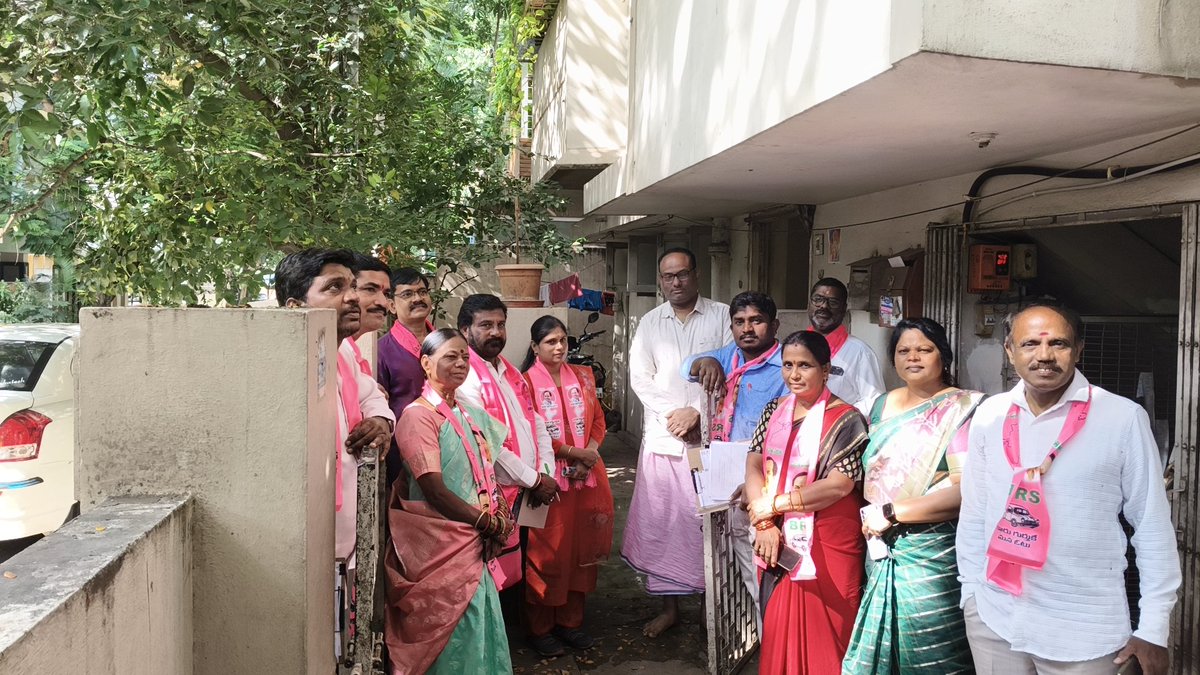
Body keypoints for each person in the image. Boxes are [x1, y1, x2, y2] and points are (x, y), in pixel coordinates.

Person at [956, 304, 1180, 674]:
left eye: (1058, 344)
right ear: (1010, 351)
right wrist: (971, 594)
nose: (1044, 356)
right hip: (995, 617)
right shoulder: (990, 415)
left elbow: (1152, 526)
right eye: (1029, 344)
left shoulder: (1122, 418)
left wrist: (1154, 628)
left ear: (1079, 350)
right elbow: (975, 512)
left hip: (1083, 628)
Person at [842, 318, 984, 674]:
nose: (913, 357)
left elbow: (966, 490)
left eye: (925, 349)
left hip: (932, 552)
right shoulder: (879, 407)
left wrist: (892, 512)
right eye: (904, 351)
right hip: (879, 546)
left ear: (944, 356)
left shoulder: (962, 410)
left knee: (932, 648)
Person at [383, 329, 515, 674]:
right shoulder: (417, 416)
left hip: (473, 541)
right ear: (426, 363)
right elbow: (434, 489)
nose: (460, 364)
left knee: (478, 624)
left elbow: (486, 471)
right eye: (450, 357)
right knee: (450, 631)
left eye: (465, 357)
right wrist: (487, 523)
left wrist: (497, 516)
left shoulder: (467, 412)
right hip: (443, 546)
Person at [621, 247, 732, 637]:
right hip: (665, 441)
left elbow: (732, 371)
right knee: (664, 523)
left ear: (697, 275)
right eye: (668, 276)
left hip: (710, 443)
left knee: (706, 523)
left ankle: (709, 605)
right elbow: (640, 378)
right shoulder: (650, 322)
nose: (676, 283)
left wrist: (698, 412)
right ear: (661, 280)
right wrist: (678, 414)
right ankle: (670, 609)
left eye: (683, 274)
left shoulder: (722, 316)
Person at [745, 330, 868, 674]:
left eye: (805, 365)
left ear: (826, 369)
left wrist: (777, 505)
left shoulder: (846, 418)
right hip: (776, 529)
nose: (794, 374)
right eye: (787, 365)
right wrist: (765, 522)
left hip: (828, 538)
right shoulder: (775, 410)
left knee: (828, 627)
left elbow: (840, 485)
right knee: (778, 620)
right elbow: (754, 463)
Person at [274, 248, 394, 566]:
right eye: (334, 287)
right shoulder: (280, 368)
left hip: (345, 546)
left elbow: (373, 397)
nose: (353, 297)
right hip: (301, 550)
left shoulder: (344, 354)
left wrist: (381, 422)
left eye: (353, 286)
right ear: (295, 307)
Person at [679, 291, 788, 617]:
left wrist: (761, 486)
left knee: (770, 567)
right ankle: (754, 634)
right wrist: (706, 362)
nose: (747, 329)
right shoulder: (728, 357)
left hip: (767, 481)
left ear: (774, 325)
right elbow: (687, 366)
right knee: (736, 561)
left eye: (756, 320)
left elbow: (785, 432)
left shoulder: (787, 366)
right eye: (739, 322)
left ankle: (776, 640)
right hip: (724, 476)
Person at [520, 315, 615, 656]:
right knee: (548, 555)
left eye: (562, 340)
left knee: (580, 553)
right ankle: (540, 627)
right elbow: (532, 432)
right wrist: (573, 453)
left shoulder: (584, 378)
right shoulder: (525, 383)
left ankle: (570, 624)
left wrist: (588, 453)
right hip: (549, 482)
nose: (559, 347)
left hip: (587, 479)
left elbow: (600, 421)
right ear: (535, 347)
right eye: (550, 342)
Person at [377, 267, 435, 486]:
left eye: (422, 292)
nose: (418, 298)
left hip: (450, 444)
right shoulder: (382, 352)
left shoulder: (447, 344)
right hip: (402, 453)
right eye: (408, 294)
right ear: (391, 305)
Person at [807, 277, 884, 414]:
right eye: (818, 299)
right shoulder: (797, 346)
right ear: (809, 304)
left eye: (833, 302)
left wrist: (837, 415)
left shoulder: (859, 352)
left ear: (844, 308)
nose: (824, 306)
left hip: (839, 429)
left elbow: (874, 401)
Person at [345, 253, 394, 376]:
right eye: (370, 289)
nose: (383, 303)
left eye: (386, 294)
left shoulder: (350, 352)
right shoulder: (334, 352)